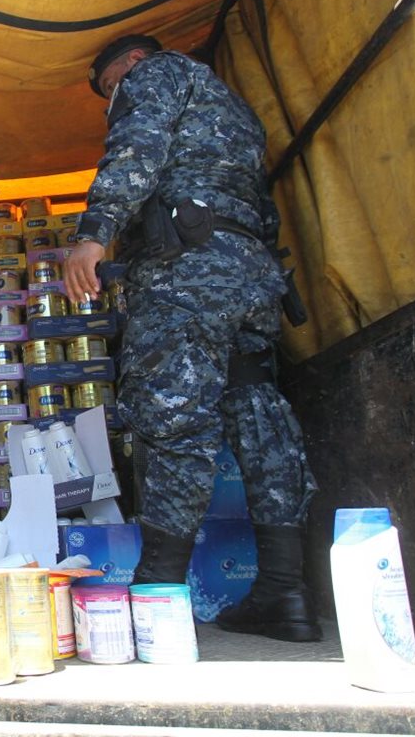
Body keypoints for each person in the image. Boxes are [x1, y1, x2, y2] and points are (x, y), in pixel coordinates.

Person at [63, 35, 320, 642]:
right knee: (260, 416)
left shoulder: (156, 76)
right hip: (250, 272)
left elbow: (137, 148)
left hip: (187, 269)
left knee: (173, 418)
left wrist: (95, 234)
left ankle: (157, 594)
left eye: (108, 89)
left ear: (130, 63)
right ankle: (286, 593)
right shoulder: (235, 110)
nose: (110, 102)